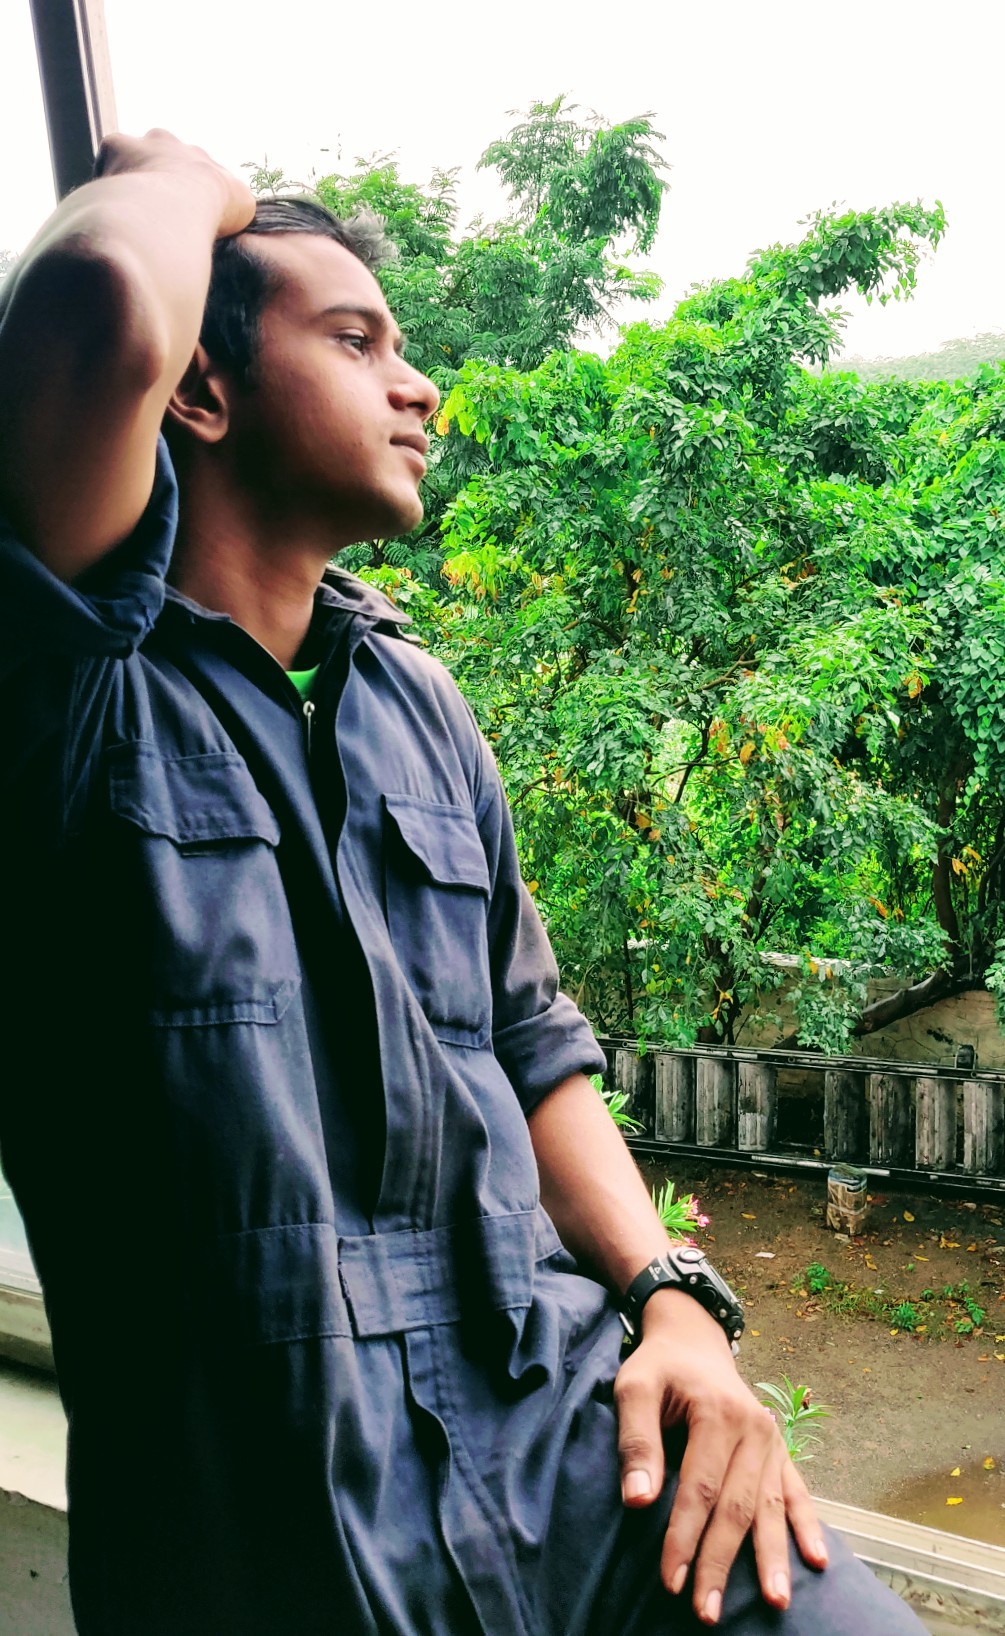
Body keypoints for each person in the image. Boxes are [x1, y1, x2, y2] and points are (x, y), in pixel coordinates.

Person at [0, 132, 924, 1636]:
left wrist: (674, 1302)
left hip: (573, 1453)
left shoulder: (417, 704)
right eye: (355, 340)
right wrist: (181, 177)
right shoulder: (63, 701)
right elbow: (102, 300)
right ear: (202, 391)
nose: (419, 386)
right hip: (272, 1522)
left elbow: (531, 1046)